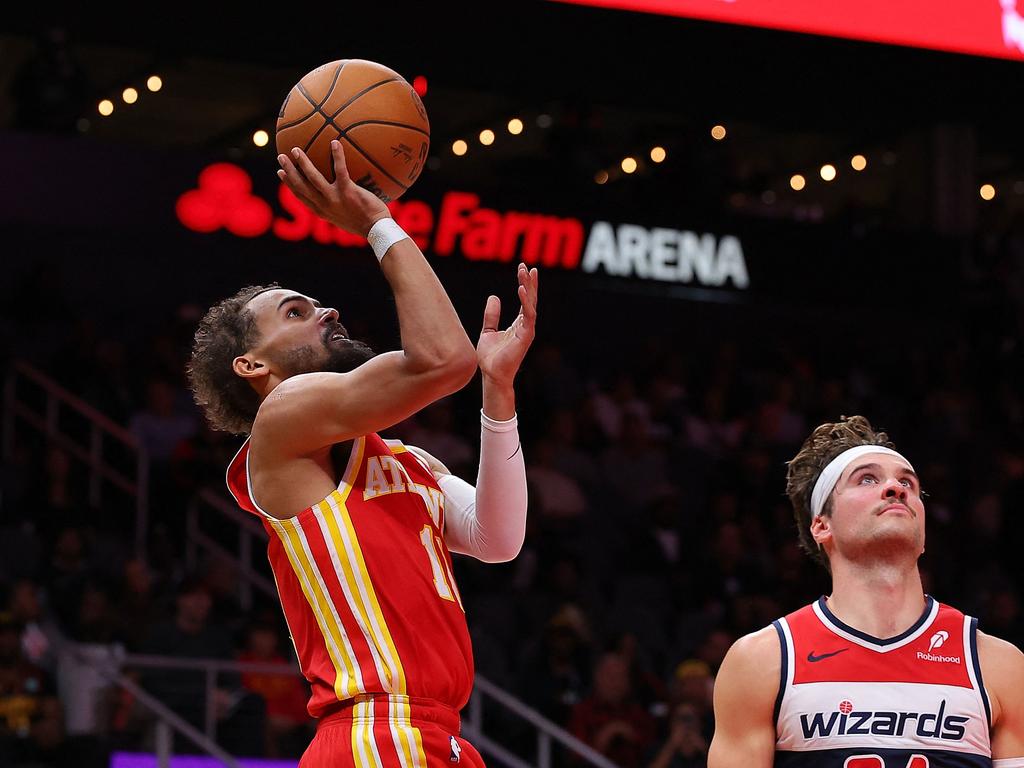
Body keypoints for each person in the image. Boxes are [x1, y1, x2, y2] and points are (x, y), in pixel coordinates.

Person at [188, 141, 535, 767]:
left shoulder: (404, 461)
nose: (327, 310)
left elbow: (497, 537)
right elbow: (442, 360)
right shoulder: (282, 420)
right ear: (252, 365)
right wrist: (378, 223)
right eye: (296, 312)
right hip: (376, 732)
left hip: (438, 735)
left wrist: (499, 395)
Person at [709, 416, 1024, 767]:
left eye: (908, 482)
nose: (896, 488)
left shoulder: (998, 664)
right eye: (868, 479)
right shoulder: (763, 661)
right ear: (821, 525)